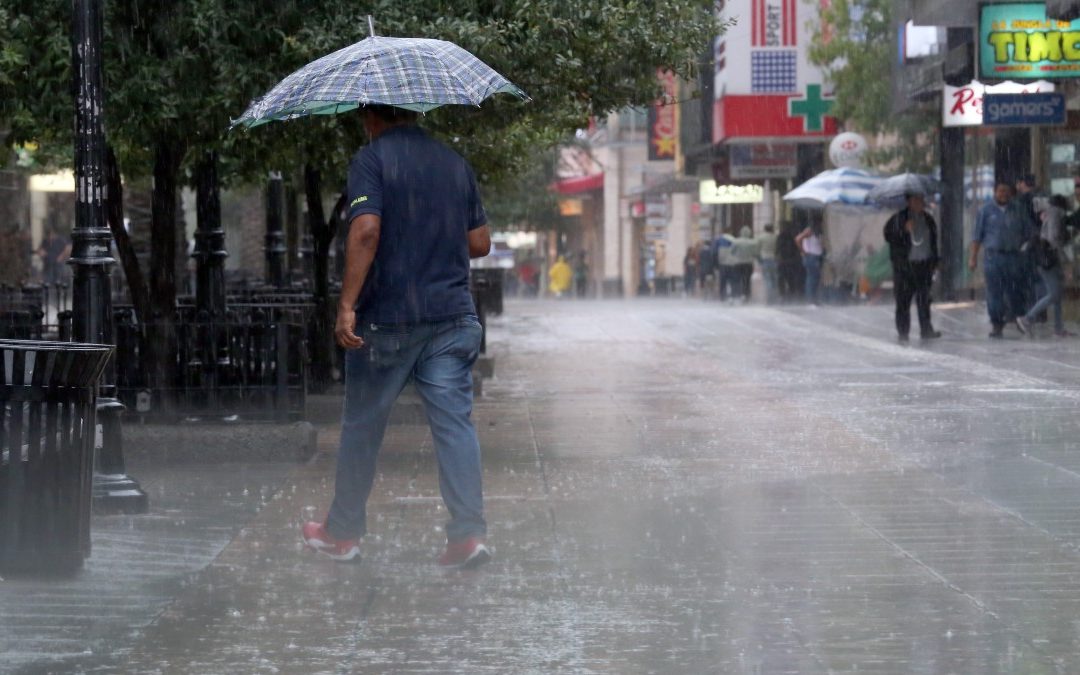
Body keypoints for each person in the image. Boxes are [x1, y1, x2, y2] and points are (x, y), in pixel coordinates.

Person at [302, 104, 492, 569]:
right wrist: (433, 225)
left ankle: (342, 534)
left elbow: (366, 230)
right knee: (454, 425)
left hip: (389, 319)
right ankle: (468, 537)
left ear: (370, 116)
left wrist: (346, 305)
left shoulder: (372, 160)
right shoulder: (454, 163)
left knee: (363, 426)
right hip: (451, 317)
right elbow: (480, 243)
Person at [970, 182, 1036, 339]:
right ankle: (997, 324)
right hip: (993, 258)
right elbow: (977, 237)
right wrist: (973, 258)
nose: (1003, 194)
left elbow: (1030, 231)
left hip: (1014, 256)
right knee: (994, 293)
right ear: (995, 192)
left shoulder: (1018, 209)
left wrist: (1026, 248)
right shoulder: (986, 211)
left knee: (1016, 291)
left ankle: (1019, 319)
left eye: (1006, 191)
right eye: (1000, 191)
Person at [883, 192, 941, 341]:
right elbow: (888, 236)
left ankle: (926, 329)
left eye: (921, 199)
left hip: (923, 265)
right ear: (909, 202)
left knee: (924, 300)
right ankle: (903, 331)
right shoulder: (898, 218)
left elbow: (934, 242)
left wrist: (935, 262)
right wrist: (903, 230)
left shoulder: (928, 219)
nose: (919, 203)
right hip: (905, 267)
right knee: (903, 301)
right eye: (915, 200)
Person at [1018, 194, 1071, 337]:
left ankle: (1058, 328)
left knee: (1057, 294)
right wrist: (1064, 257)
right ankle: (1027, 318)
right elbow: (1054, 237)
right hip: (1050, 260)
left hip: (1046, 259)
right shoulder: (1056, 214)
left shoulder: (1049, 213)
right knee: (1054, 294)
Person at [795, 222, 825, 306]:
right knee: (812, 279)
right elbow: (798, 239)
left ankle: (814, 299)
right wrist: (803, 251)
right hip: (811, 257)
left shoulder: (817, 233)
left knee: (815, 278)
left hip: (816, 257)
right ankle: (810, 300)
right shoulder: (809, 231)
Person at [730, 226, 759, 303]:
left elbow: (732, 251)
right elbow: (755, 253)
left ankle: (735, 295)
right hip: (748, 263)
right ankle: (746, 295)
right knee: (747, 280)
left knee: (736, 279)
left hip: (737, 263)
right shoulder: (753, 242)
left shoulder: (736, 241)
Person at [755, 224, 779, 304]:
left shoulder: (761, 238)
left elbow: (757, 249)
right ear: (772, 229)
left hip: (764, 259)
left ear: (764, 229)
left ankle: (769, 299)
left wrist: (759, 260)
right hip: (774, 260)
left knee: (767, 279)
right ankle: (775, 297)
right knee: (774, 279)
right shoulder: (775, 237)